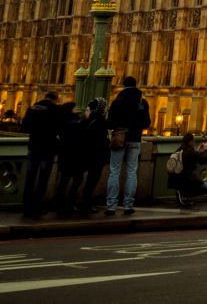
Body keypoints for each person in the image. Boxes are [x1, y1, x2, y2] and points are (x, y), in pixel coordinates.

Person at [106, 76, 152, 215]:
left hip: (120, 138)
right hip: (135, 139)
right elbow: (147, 122)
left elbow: (110, 123)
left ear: (123, 85)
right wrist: (136, 128)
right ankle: (128, 205)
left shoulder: (117, 101)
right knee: (132, 172)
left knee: (114, 171)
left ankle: (111, 206)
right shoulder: (142, 101)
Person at [58, 97, 106, 216]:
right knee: (78, 181)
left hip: (72, 156)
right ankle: (73, 204)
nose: (78, 110)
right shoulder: (85, 122)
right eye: (75, 108)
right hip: (81, 157)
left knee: (66, 181)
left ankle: (64, 204)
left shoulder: (79, 121)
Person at [19, 91, 62, 218]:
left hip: (33, 146)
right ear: (56, 99)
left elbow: (24, 128)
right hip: (47, 148)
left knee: (30, 178)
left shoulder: (32, 108)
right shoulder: (55, 109)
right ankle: (37, 207)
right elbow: (59, 129)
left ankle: (26, 207)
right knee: (43, 179)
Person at [168, 132, 207, 208]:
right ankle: (184, 194)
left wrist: (198, 151)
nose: (194, 143)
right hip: (186, 179)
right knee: (206, 188)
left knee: (191, 180)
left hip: (174, 180)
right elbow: (203, 160)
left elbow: (193, 156)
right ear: (190, 142)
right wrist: (206, 150)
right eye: (193, 141)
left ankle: (183, 194)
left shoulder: (179, 150)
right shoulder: (190, 152)